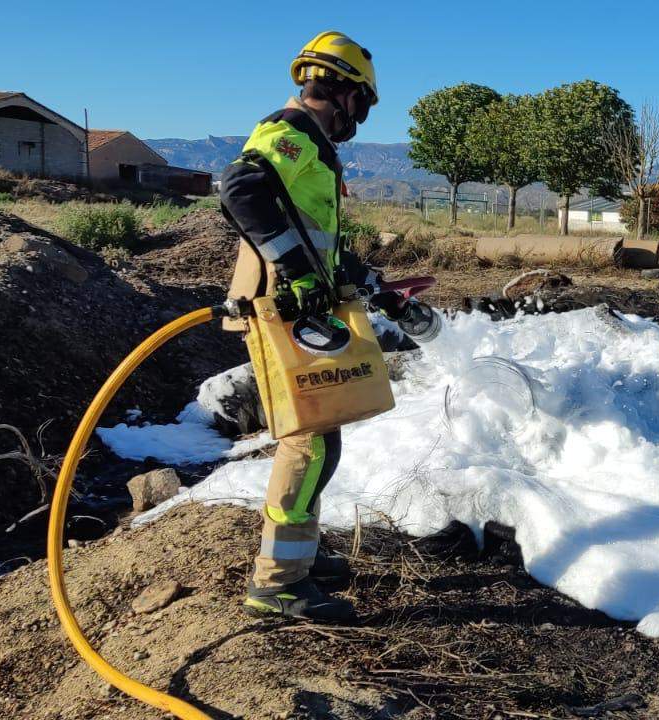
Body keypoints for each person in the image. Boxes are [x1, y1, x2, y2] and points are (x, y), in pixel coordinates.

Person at [217, 30, 380, 622]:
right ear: (341, 90)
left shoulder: (308, 142)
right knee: (307, 442)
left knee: (321, 437)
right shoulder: (287, 134)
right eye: (362, 102)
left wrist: (348, 272)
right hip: (280, 311)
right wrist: (292, 268)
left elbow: (308, 230)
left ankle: (299, 558)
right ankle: (277, 583)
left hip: (299, 308)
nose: (358, 117)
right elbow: (240, 189)